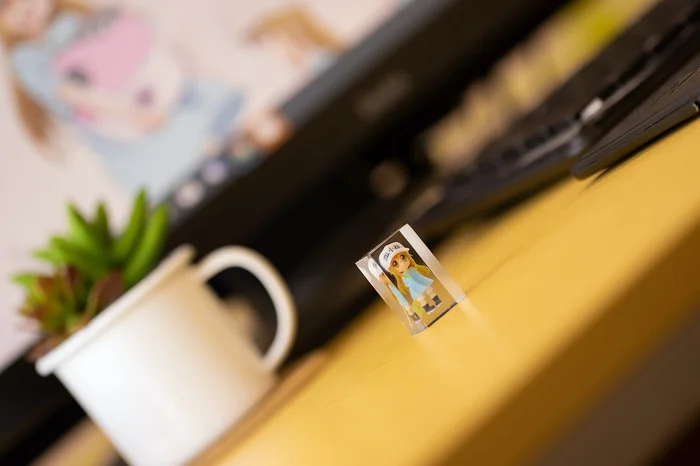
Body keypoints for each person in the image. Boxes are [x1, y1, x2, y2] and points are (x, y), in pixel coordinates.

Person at [0, 0, 251, 200]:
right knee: (182, 167)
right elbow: (72, 93)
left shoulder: (74, 19)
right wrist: (129, 112)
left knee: (213, 138)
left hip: (150, 91)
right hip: (120, 125)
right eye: (5, 6)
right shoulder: (27, 58)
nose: (21, 7)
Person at [380, 241, 441, 315]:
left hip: (421, 282)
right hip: (415, 289)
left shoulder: (412, 269)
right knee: (421, 298)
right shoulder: (404, 277)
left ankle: (437, 300)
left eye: (402, 257)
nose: (402, 263)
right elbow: (407, 284)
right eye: (395, 263)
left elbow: (417, 275)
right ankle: (427, 308)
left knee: (429, 291)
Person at [368, 258, 423, 323]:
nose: (386, 276)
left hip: (405, 293)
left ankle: (417, 314)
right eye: (383, 274)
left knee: (411, 304)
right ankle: (414, 317)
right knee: (407, 307)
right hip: (400, 297)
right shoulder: (390, 286)